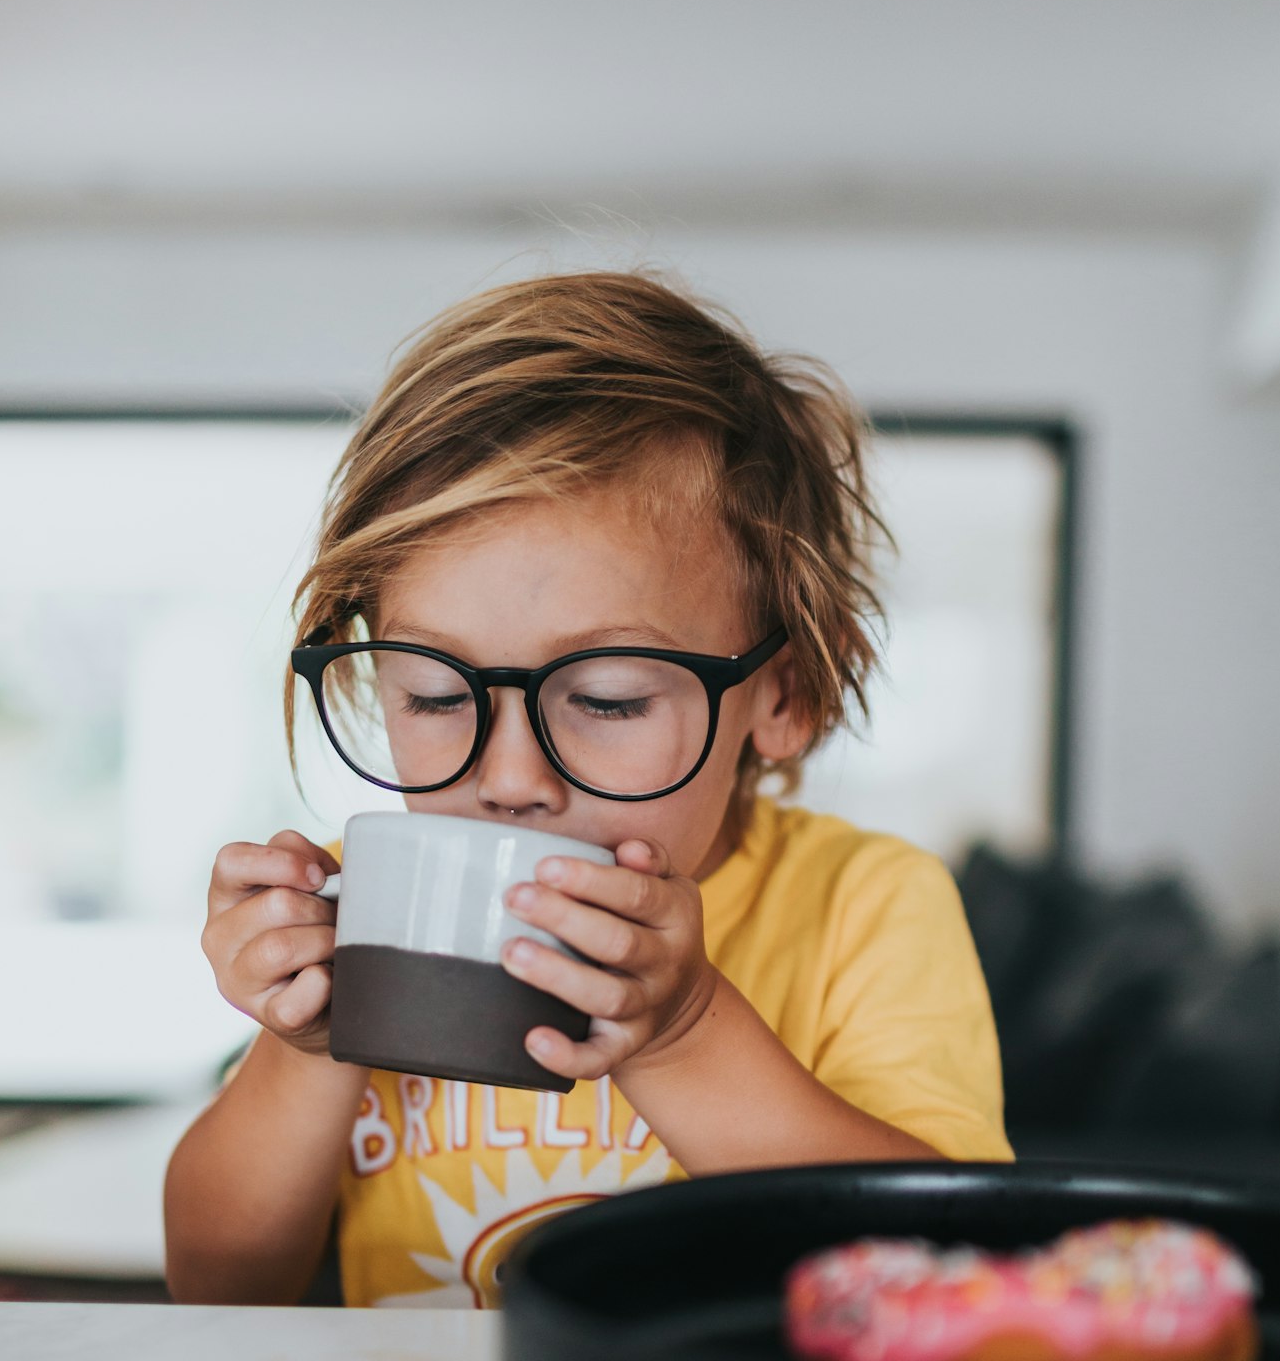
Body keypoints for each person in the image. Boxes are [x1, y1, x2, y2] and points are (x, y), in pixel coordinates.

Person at [164, 271, 1009, 1308]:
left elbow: (950, 1274)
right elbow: (217, 1284)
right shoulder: (371, 911)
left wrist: (687, 1032)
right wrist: (305, 1049)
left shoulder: (864, 906)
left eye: (606, 701)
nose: (508, 780)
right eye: (434, 696)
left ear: (783, 694)